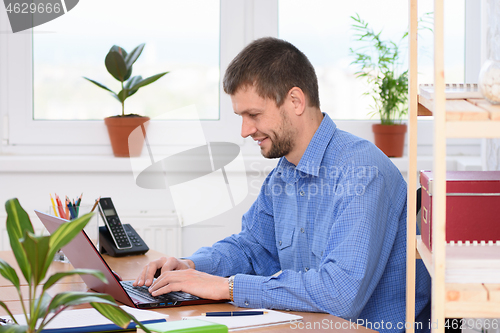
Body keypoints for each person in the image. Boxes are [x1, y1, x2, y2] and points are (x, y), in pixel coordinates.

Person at [134, 37, 431, 332]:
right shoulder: (285, 172)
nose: (245, 130)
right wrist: (192, 267)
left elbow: (340, 293)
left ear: (295, 101)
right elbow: (253, 248)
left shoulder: (361, 172)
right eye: (241, 116)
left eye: (254, 115)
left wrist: (228, 287)